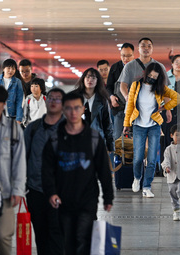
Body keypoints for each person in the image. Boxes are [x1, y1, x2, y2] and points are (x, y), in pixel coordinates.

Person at [42, 92, 114, 255]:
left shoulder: (94, 138)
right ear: (63, 110)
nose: (73, 112)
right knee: (67, 241)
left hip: (87, 198)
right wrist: (51, 192)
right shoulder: (54, 139)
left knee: (84, 237)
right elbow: (47, 170)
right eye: (68, 108)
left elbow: (103, 169)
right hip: (62, 199)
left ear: (83, 109)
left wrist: (108, 197)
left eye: (77, 108)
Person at [123, 63, 180, 198]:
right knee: (138, 158)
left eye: (155, 77)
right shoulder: (136, 86)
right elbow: (130, 105)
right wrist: (127, 124)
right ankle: (137, 177)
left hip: (154, 125)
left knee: (151, 159)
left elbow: (177, 98)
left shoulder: (160, 88)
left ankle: (147, 187)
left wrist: (164, 107)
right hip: (138, 125)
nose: (152, 78)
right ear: (146, 73)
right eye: (150, 75)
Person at [25, 87, 65, 255]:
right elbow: (22, 158)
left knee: (58, 235)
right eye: (51, 98)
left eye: (58, 99)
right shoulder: (33, 129)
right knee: (41, 236)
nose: (53, 102)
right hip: (36, 190)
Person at [0, 85, 26, 255]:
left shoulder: (12, 128)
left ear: (4, 105)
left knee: (3, 236)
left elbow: (19, 161)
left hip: (5, 191)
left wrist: (18, 189)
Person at [74, 68, 114, 152]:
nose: (90, 80)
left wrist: (110, 145)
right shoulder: (74, 97)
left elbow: (107, 124)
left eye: (93, 78)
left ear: (97, 81)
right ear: (83, 79)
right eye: (87, 77)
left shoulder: (102, 100)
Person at [106, 42, 135, 140]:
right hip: (119, 107)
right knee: (118, 137)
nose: (126, 59)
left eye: (128, 56)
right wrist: (111, 97)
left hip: (135, 109)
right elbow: (109, 86)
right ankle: (117, 155)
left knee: (135, 137)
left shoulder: (139, 68)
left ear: (134, 55)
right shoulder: (115, 68)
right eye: (123, 56)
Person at [0, 58, 24, 124]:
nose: (11, 71)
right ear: (3, 69)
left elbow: (19, 101)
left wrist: (19, 118)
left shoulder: (17, 82)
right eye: (8, 68)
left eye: (13, 69)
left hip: (11, 116)